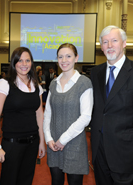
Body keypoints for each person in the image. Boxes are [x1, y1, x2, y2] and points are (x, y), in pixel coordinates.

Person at [0, 47, 46, 185]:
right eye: (20, 60)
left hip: (32, 143)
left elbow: (39, 115)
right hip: (12, 144)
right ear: (14, 63)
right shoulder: (4, 84)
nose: (24, 64)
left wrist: (41, 141)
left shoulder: (36, 85)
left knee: (26, 180)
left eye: (28, 60)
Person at [43, 43, 93, 185]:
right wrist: (49, 138)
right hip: (53, 144)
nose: (64, 60)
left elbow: (86, 117)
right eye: (60, 57)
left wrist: (63, 140)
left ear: (76, 58)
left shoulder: (84, 83)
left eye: (68, 56)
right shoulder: (53, 83)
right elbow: (48, 114)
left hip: (74, 143)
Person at [90, 25, 133, 185]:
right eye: (105, 42)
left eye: (114, 41)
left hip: (126, 151)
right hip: (99, 150)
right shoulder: (95, 73)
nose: (109, 46)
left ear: (124, 43)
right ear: (101, 47)